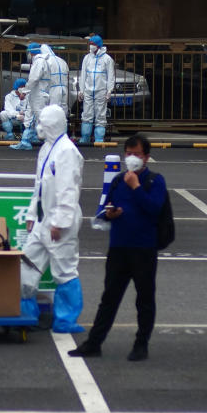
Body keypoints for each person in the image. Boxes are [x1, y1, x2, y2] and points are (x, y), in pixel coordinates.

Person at [70, 133, 167, 361]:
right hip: (119, 248)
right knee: (109, 297)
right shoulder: (117, 181)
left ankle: (141, 344)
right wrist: (111, 214)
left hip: (143, 249)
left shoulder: (154, 181)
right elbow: (107, 209)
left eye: (137, 154)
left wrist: (135, 187)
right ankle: (94, 343)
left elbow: (154, 209)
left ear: (146, 157)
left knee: (144, 298)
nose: (132, 158)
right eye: (129, 153)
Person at [19, 104, 86, 333]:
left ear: (52, 126)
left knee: (64, 270)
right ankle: (25, 314)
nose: (39, 128)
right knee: (27, 263)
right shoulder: (47, 148)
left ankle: (66, 320)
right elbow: (39, 185)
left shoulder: (67, 151)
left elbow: (68, 190)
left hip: (59, 224)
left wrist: (59, 222)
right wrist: (31, 213)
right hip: (42, 220)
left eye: (43, 124)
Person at [79, 34, 116, 144]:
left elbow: (111, 76)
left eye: (93, 44)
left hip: (101, 91)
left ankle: (99, 138)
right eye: (90, 44)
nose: (91, 46)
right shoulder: (87, 58)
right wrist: (81, 90)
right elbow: (83, 75)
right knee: (87, 114)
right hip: (88, 91)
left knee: (100, 114)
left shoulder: (107, 59)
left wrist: (109, 91)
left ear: (98, 45)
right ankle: (85, 137)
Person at [12, 42, 48, 150]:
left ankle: (29, 141)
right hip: (38, 94)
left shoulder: (39, 62)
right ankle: (27, 140)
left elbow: (34, 79)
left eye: (28, 52)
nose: (28, 54)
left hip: (38, 94)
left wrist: (24, 91)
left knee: (36, 117)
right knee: (33, 117)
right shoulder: (40, 61)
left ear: (32, 52)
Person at [44, 44, 71, 118]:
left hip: (53, 88)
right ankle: (63, 126)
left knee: (54, 109)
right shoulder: (62, 60)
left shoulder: (46, 61)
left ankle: (54, 128)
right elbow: (67, 73)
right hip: (64, 88)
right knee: (63, 108)